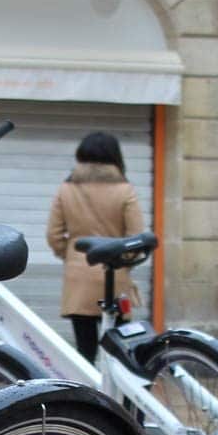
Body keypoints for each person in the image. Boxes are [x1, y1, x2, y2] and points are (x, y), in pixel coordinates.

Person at [46, 131, 144, 362]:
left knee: (85, 353)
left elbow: (54, 235)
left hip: (79, 278)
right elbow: (136, 237)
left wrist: (72, 256)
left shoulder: (67, 188)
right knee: (120, 353)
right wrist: (124, 260)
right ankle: (120, 398)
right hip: (115, 276)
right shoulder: (125, 189)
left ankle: (85, 396)